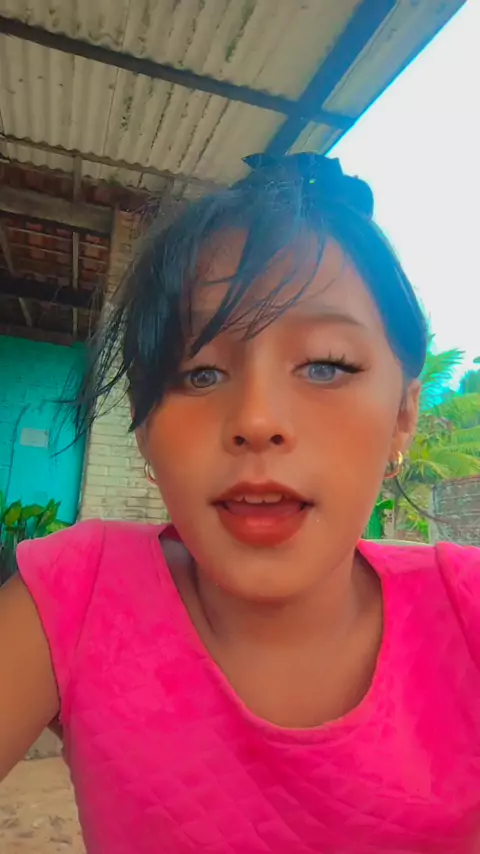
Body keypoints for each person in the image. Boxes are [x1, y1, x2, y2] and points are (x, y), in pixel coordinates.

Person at [1, 153, 479, 854]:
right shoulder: (76, 599)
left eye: (325, 365)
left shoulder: (467, 611)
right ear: (142, 425)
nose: (256, 419)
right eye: (199, 373)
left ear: (403, 414)